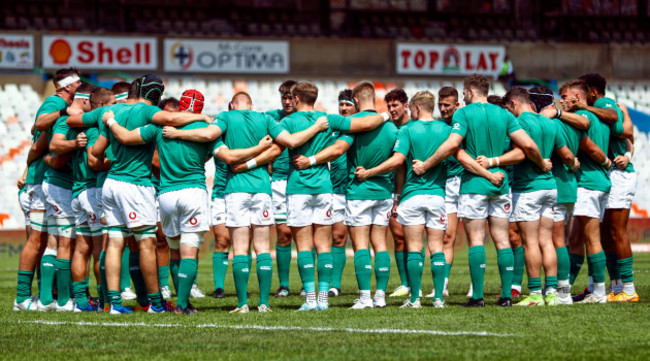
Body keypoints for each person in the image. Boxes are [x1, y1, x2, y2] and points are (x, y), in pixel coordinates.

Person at [162, 90, 333, 313]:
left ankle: (242, 303)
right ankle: (263, 303)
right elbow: (286, 143)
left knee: (240, 249)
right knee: (263, 247)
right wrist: (314, 128)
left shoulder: (225, 117)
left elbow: (207, 136)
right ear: (251, 106)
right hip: (262, 189)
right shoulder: (266, 119)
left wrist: (177, 133)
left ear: (232, 106)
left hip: (236, 190)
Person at [411, 74, 546, 307]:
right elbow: (529, 146)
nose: (463, 96)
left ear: (471, 92)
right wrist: (542, 162)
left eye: (464, 93)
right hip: (500, 183)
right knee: (503, 240)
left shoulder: (463, 113)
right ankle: (505, 296)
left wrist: (427, 163)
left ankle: (478, 297)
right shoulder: (503, 113)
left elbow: (453, 145)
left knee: (476, 241)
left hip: (473, 185)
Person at [93, 74, 212, 314]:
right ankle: (157, 303)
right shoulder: (154, 117)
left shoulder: (113, 112)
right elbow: (216, 148)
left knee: (115, 243)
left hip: (111, 183)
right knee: (147, 243)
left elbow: (96, 152)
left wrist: (110, 123)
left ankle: (113, 303)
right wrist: (200, 119)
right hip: (137, 184)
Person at [354, 90, 450, 308]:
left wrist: (370, 172)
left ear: (415, 108)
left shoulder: (407, 130)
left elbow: (397, 161)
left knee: (414, 248)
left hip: (412, 195)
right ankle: (438, 299)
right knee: (437, 248)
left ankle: (415, 299)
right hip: (437, 195)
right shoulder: (445, 130)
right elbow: (455, 154)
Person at [494, 87, 576, 306]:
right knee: (547, 241)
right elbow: (566, 154)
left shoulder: (519, 123)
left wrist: (496, 160)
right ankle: (551, 292)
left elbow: (523, 152)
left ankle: (534, 295)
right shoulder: (550, 123)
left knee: (530, 243)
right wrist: (572, 164)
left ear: (513, 103)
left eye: (508, 109)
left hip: (528, 187)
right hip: (551, 187)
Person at [14, 67, 81, 311]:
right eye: (78, 83)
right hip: (41, 182)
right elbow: (39, 126)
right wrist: (27, 169)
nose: (81, 86)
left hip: (44, 181)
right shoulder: (53, 102)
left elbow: (37, 135)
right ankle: (22, 298)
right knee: (38, 240)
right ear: (67, 86)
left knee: (47, 240)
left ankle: (46, 297)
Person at [578, 73, 638, 302]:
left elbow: (626, 131)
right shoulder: (601, 108)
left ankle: (629, 290)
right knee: (603, 233)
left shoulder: (603, 104)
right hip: (609, 174)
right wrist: (629, 152)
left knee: (615, 231)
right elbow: (628, 134)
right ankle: (614, 286)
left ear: (592, 92)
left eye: (583, 93)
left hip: (619, 175)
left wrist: (627, 156)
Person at [40, 82, 95, 311]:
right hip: (61, 186)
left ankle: (45, 300)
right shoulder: (67, 119)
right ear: (84, 100)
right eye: (92, 103)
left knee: (53, 243)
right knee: (66, 243)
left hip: (55, 184)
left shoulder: (70, 118)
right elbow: (54, 145)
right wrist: (76, 143)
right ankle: (63, 300)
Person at [560, 79, 612, 304]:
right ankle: (566, 290)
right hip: (598, 183)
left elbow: (590, 148)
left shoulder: (583, 120)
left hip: (588, 183)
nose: (561, 101)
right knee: (576, 238)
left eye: (564, 97)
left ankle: (599, 292)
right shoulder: (599, 118)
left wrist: (606, 161)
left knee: (591, 238)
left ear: (578, 98)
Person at [529, 85, 581, 304]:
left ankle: (561, 291)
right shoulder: (570, 121)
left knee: (555, 241)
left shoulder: (549, 124)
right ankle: (560, 289)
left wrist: (571, 162)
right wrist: (574, 164)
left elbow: (565, 154)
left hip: (556, 185)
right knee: (562, 240)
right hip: (569, 186)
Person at [426, 86, 461, 299]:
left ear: (457, 105)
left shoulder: (464, 123)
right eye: (440, 104)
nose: (442, 108)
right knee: (448, 236)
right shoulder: (437, 126)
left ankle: (476, 287)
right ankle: (443, 286)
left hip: (468, 182)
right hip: (446, 185)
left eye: (447, 105)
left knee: (481, 235)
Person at [265, 80, 297, 297]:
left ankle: (308, 286)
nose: (286, 102)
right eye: (283, 98)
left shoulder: (306, 118)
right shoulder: (270, 117)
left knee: (307, 233)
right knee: (284, 233)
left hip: (301, 179)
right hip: (277, 181)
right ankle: (284, 285)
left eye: (289, 98)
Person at [383, 88, 413, 298]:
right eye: (389, 106)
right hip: (392, 190)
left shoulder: (414, 128)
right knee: (398, 237)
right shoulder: (387, 129)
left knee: (413, 238)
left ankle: (416, 284)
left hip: (413, 190)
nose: (392, 110)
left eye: (395, 105)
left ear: (406, 105)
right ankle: (405, 284)